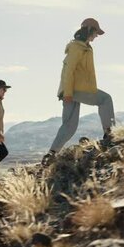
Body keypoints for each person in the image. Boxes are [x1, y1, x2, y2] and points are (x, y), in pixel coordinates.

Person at [42, 18, 115, 166]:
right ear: (89, 30)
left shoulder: (83, 47)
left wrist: (67, 92)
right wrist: (68, 93)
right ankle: (109, 134)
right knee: (105, 99)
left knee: (69, 126)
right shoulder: (77, 47)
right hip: (76, 89)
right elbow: (69, 71)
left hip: (71, 90)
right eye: (96, 32)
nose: (97, 36)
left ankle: (51, 154)